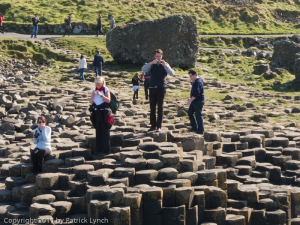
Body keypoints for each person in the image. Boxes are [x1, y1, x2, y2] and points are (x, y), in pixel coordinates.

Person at [142, 49, 175, 132]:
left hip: (161, 87)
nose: (158, 58)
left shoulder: (165, 64)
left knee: (160, 108)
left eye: (159, 56)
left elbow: (172, 73)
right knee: (152, 108)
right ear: (154, 56)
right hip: (152, 87)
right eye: (156, 56)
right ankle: (153, 125)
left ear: (162, 56)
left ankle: (159, 126)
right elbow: (143, 69)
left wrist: (165, 65)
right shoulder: (151, 64)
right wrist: (151, 63)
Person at [90, 76, 111, 155]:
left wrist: (101, 95)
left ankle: (105, 150)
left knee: (105, 131)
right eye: (96, 83)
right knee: (98, 131)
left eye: (99, 83)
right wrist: (92, 95)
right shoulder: (94, 90)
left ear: (102, 83)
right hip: (96, 112)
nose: (97, 84)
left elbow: (108, 100)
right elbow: (91, 102)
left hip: (104, 113)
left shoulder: (105, 89)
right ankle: (98, 149)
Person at [187, 70, 205, 134]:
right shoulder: (195, 81)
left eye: (191, 76)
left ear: (195, 75)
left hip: (199, 101)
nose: (190, 78)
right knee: (190, 112)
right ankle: (194, 127)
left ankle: (200, 130)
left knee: (198, 115)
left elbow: (197, 93)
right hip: (195, 101)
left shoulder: (198, 82)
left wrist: (190, 100)